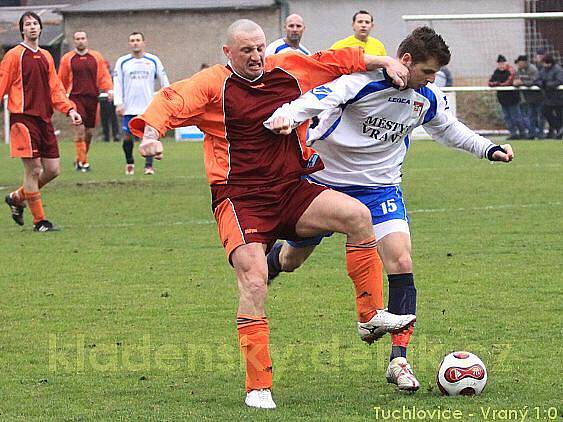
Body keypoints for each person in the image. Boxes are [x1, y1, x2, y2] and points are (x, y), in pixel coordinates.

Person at [130, 19, 414, 409]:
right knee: (255, 280)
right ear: (228, 53)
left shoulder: (286, 69)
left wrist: (382, 60)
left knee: (357, 216)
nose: (256, 56)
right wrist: (149, 135)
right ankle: (258, 385)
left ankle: (369, 315)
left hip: (292, 188)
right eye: (246, 50)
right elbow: (171, 99)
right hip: (240, 198)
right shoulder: (215, 84)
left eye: (260, 47)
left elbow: (333, 61)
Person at [264, 26, 514, 392]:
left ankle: (399, 360)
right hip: (324, 183)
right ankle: (271, 263)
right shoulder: (359, 82)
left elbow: (450, 130)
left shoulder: (426, 97)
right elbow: (317, 99)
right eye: (427, 72)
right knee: (291, 261)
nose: (431, 80)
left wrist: (487, 149)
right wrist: (286, 115)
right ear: (406, 61)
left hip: (380, 190)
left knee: (401, 261)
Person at [1, 11, 82, 231]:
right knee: (34, 169)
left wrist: (70, 110)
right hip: (22, 119)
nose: (32, 27)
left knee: (53, 170)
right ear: (22, 30)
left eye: (35, 23)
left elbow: (55, 89)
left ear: (40, 28)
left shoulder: (46, 56)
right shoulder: (14, 55)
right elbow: (2, 83)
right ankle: (40, 222)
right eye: (27, 24)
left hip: (44, 119)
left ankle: (18, 197)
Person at [114, 32, 169, 175]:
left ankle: (148, 166)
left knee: (149, 136)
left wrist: (167, 99)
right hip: (129, 107)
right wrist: (118, 103)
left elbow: (164, 80)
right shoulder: (122, 62)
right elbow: (117, 83)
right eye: (132, 40)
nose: (135, 43)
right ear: (129, 43)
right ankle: (130, 162)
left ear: (143, 42)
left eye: (138, 40)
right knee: (127, 137)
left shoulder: (153, 60)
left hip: (148, 107)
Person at [59, 31, 113, 171]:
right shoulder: (67, 59)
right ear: (74, 41)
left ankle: (79, 159)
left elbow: (104, 76)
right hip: (75, 99)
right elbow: (61, 80)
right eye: (77, 39)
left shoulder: (96, 57)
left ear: (86, 40)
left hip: (92, 98)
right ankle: (84, 163)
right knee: (80, 129)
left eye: (83, 38)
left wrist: (109, 89)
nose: (80, 41)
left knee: (88, 132)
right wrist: (60, 98)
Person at [488, 54, 528, 139]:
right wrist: (497, 84)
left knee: (516, 117)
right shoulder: (496, 72)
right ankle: (513, 134)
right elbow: (490, 82)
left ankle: (523, 133)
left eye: (502, 63)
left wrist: (498, 84)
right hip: (503, 99)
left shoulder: (511, 70)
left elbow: (508, 82)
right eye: (499, 63)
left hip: (513, 99)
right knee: (507, 118)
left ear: (506, 63)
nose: (501, 65)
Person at [513, 55, 544, 139]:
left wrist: (522, 82)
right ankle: (532, 134)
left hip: (538, 97)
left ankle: (541, 134)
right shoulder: (519, 70)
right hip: (529, 98)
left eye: (520, 63)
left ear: (524, 62)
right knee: (531, 116)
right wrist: (515, 83)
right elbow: (517, 80)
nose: (518, 65)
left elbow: (534, 81)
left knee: (540, 116)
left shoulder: (532, 69)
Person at [535, 55, 563, 139]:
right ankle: (558, 128)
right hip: (548, 97)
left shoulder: (558, 70)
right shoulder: (543, 70)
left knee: (559, 114)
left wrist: (547, 84)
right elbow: (537, 80)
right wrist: (542, 84)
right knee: (545, 112)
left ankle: (558, 130)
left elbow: (559, 81)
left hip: (558, 97)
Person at [100, 60, 121, 142]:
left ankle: (116, 135)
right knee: (104, 119)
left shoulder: (112, 75)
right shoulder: (100, 76)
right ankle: (106, 136)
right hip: (103, 100)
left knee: (113, 118)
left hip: (112, 99)